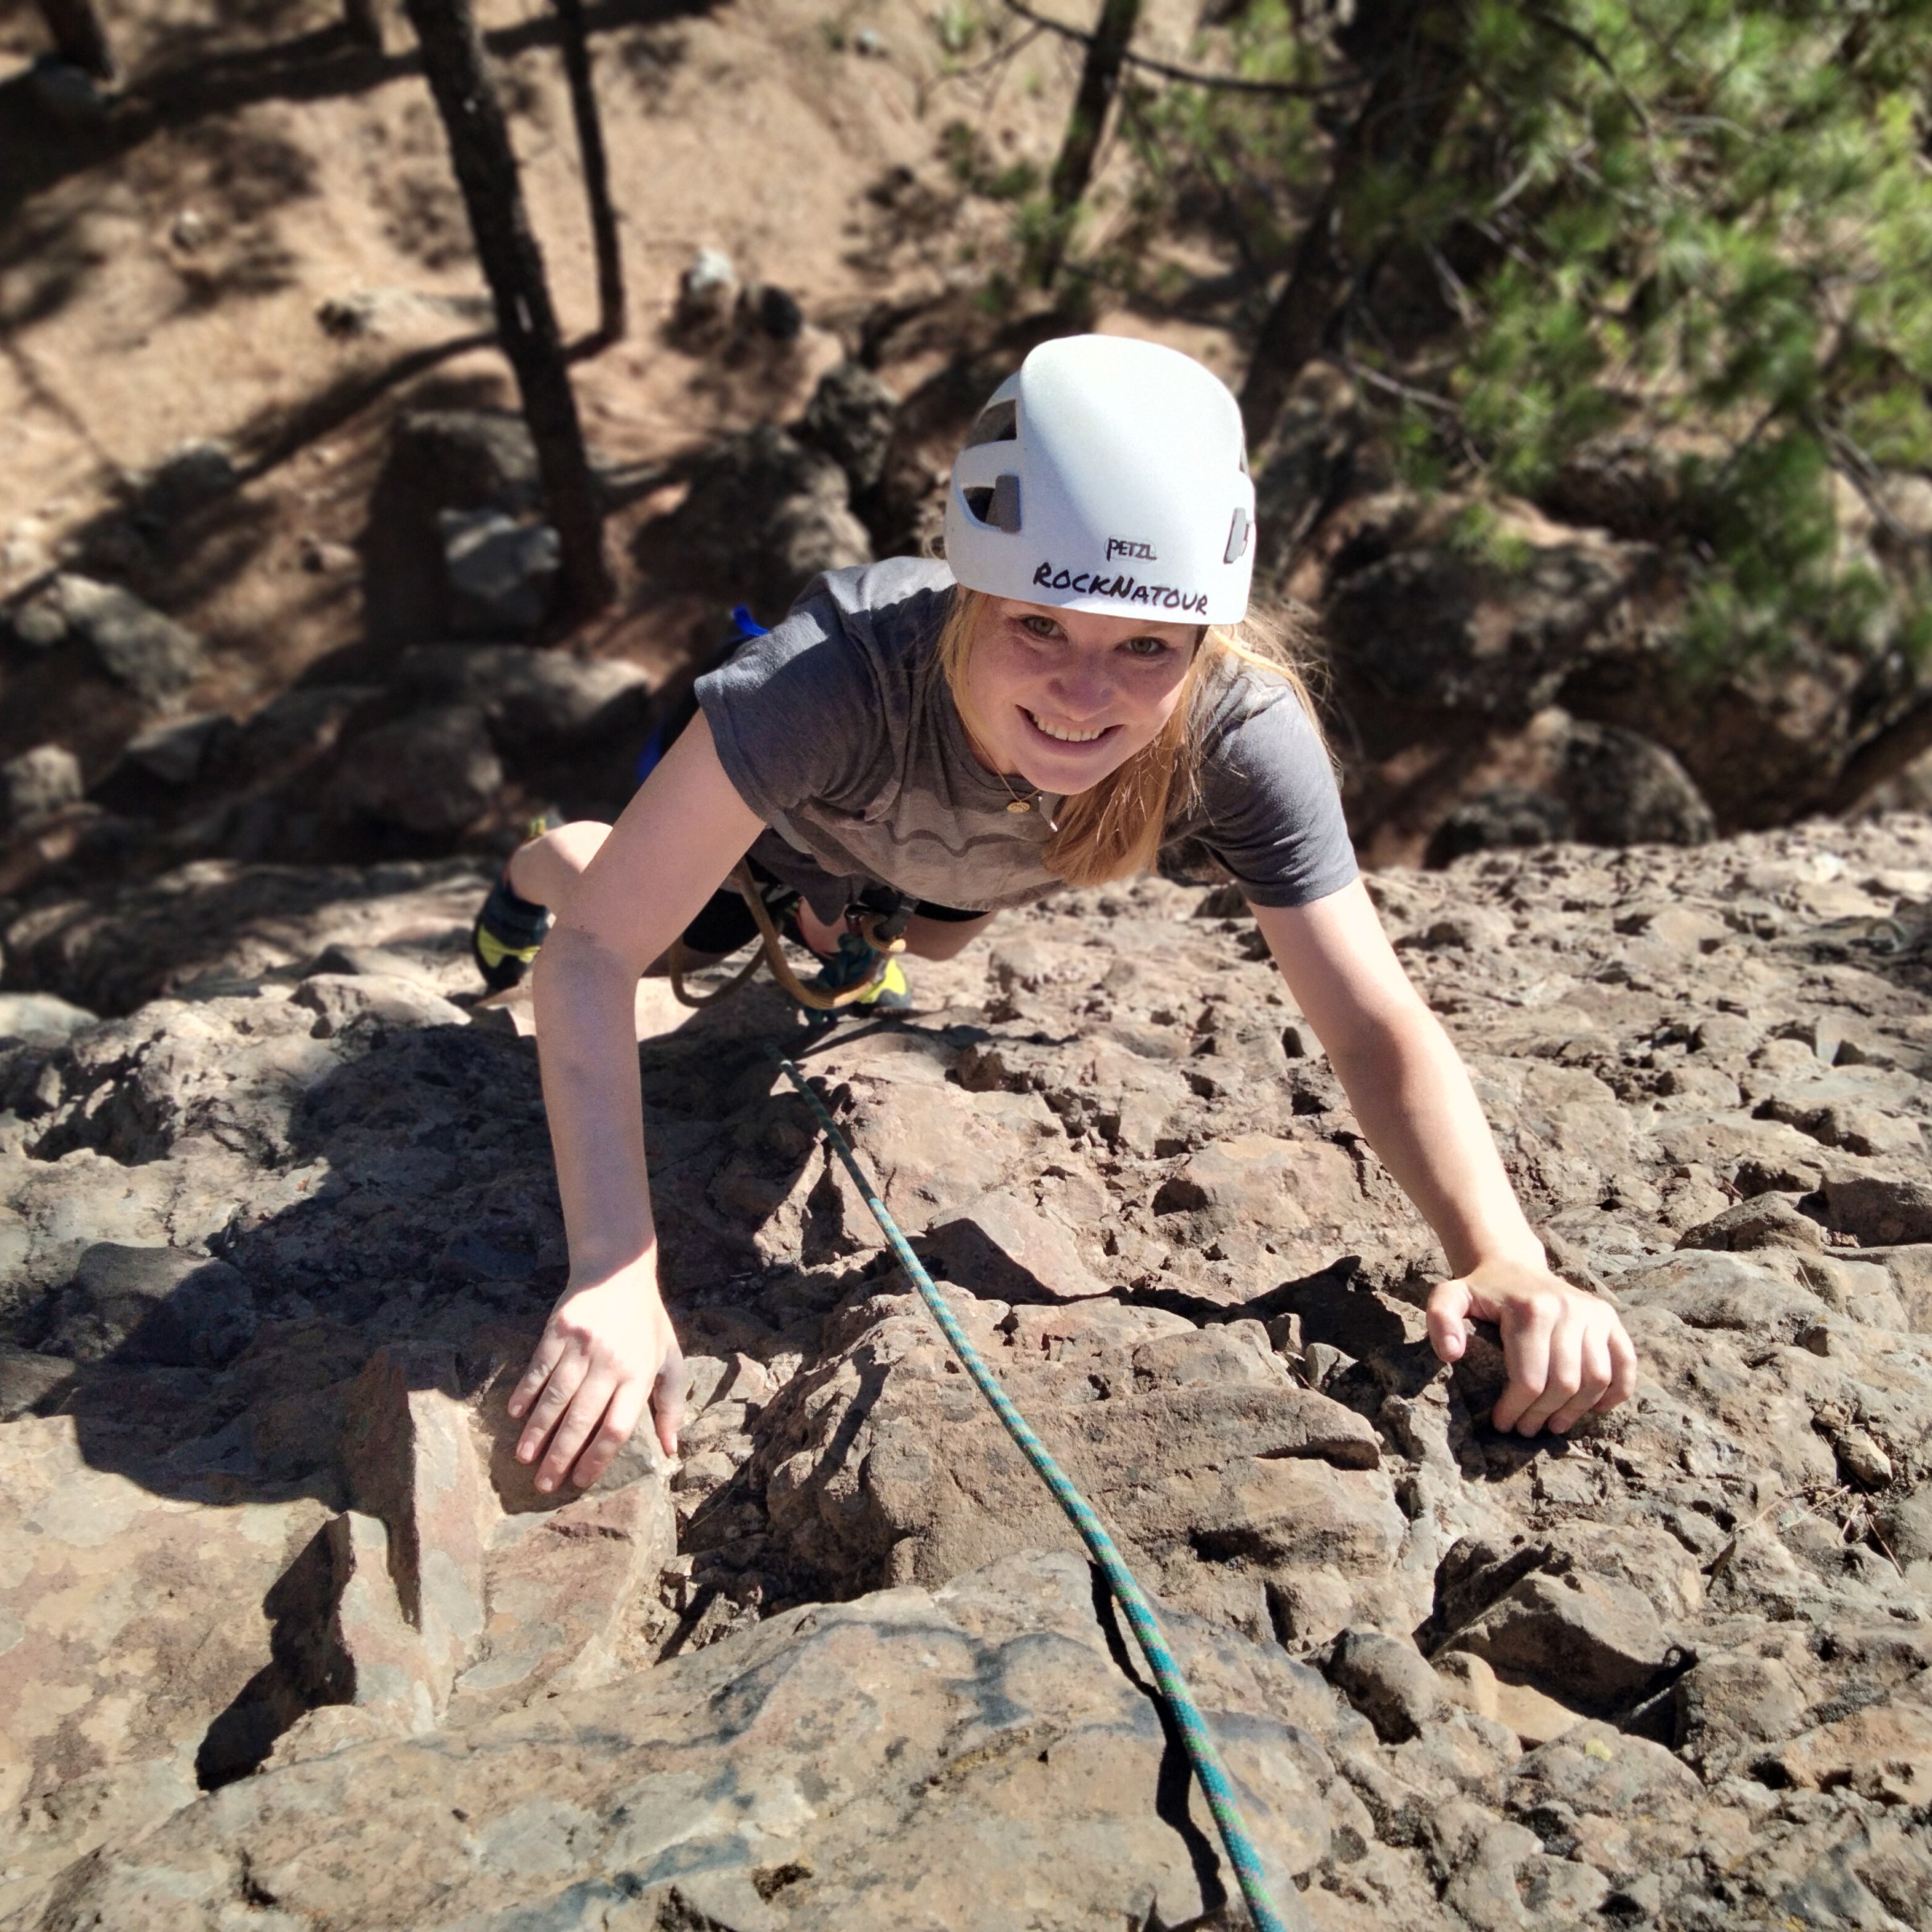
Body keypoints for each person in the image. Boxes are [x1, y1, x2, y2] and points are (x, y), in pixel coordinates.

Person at [481, 334, 1640, 1497]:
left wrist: (1502, 1254)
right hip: (785, 834)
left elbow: (1371, 1018)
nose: (1086, 697)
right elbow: (597, 955)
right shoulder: (830, 679)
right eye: (1040, 624)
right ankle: (537, 859)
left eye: (1145, 646)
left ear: (1201, 636)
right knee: (671, 928)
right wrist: (617, 1272)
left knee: (922, 942)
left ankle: (861, 929)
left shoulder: (1238, 731)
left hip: (954, 869)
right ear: (972, 589)